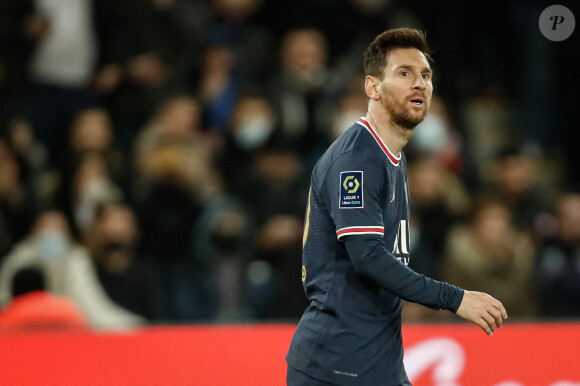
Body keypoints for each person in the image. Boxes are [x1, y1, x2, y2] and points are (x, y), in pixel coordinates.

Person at [285, 28, 508, 386]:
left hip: (376, 362)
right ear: (372, 87)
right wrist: (455, 298)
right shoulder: (356, 160)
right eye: (404, 73)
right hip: (336, 366)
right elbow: (368, 257)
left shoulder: (392, 155)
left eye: (425, 75)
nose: (419, 83)